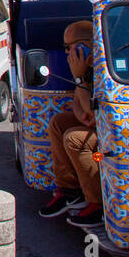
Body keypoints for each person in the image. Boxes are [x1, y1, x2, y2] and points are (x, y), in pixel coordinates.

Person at [38, 20, 102, 228]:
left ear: (84, 45)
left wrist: (80, 79)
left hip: (112, 137)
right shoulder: (87, 68)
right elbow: (80, 108)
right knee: (58, 123)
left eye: (69, 47)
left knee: (74, 138)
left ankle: (97, 203)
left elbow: (92, 116)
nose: (66, 52)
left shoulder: (101, 68)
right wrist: (80, 80)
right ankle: (70, 190)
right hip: (98, 124)